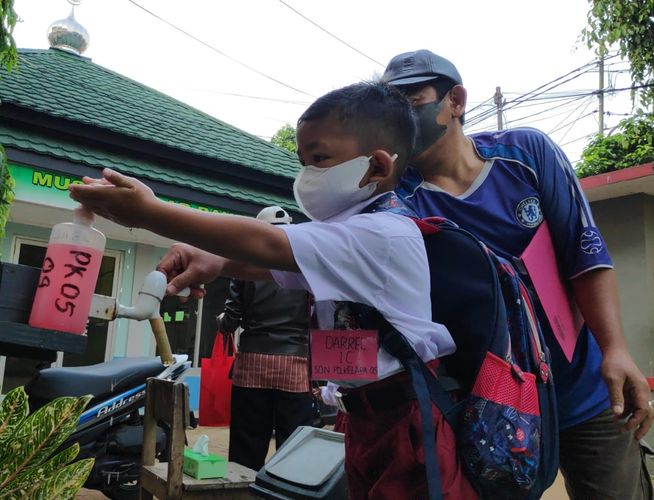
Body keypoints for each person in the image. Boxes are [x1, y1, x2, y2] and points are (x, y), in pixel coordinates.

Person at [69, 81, 477, 499]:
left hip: (406, 423)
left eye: (320, 158)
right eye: (303, 161)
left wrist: (151, 214)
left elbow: (269, 244)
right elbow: (272, 265)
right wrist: (218, 260)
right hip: (363, 415)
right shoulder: (349, 234)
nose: (306, 175)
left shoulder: (382, 233)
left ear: (376, 166)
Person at [382, 48, 654, 499]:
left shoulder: (526, 154)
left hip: (584, 389)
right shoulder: (397, 202)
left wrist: (616, 350)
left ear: (456, 100)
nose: (403, 116)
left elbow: (584, 253)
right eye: (391, 107)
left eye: (413, 99)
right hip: (494, 407)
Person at [217, 205, 314, 471]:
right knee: (294, 443)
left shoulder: (245, 265)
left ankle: (240, 490)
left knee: (247, 441)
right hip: (296, 363)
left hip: (253, 361)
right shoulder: (304, 265)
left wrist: (222, 323)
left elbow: (231, 318)